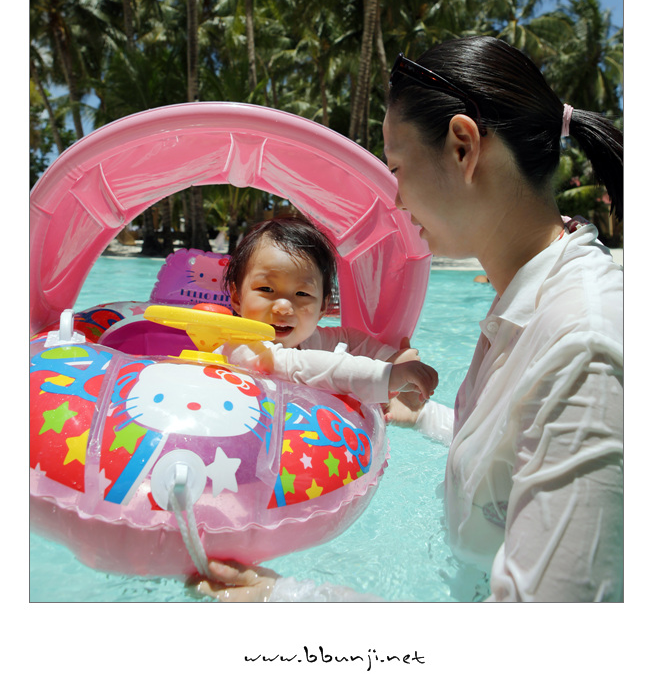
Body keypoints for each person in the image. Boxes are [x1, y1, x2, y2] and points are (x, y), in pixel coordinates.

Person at [199, 36, 623, 603]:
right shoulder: (531, 302)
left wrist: (284, 600)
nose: (396, 200)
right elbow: (511, 454)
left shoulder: (586, 348)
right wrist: (424, 419)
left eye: (397, 167)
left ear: (462, 147)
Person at [218, 214, 438, 406]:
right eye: (266, 289)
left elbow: (348, 339)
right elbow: (304, 366)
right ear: (237, 297)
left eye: (302, 294)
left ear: (322, 306)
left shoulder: (310, 339)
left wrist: (389, 356)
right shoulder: (241, 346)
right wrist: (387, 376)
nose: (284, 307)